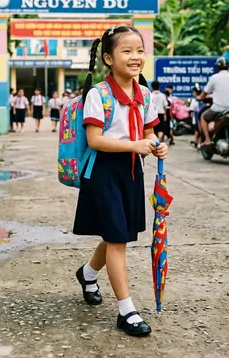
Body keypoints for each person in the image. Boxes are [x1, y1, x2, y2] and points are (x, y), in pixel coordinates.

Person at [73, 25, 167, 338]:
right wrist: (135, 146)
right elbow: (95, 140)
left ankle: (87, 273)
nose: (135, 56)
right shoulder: (99, 94)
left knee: (119, 234)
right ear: (108, 58)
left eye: (139, 50)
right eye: (126, 51)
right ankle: (126, 310)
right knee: (116, 238)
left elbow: (149, 133)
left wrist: (156, 144)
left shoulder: (145, 95)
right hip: (102, 172)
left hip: (130, 171)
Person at [198, 57, 229, 146]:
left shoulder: (214, 78)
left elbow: (205, 93)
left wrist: (200, 98)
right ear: (228, 67)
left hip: (218, 108)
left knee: (203, 117)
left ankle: (207, 140)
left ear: (217, 67)